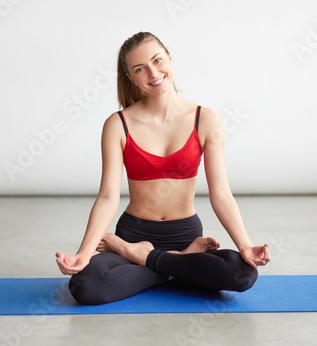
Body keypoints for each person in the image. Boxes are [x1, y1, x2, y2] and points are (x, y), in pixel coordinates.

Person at [56, 31, 270, 305]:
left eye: (157, 61)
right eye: (140, 69)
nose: (153, 73)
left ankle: (144, 258)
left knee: (242, 273)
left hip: (184, 234)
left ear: (170, 58)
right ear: (131, 77)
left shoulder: (205, 119)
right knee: (85, 286)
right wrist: (84, 254)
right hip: (134, 233)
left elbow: (221, 194)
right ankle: (175, 266)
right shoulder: (117, 124)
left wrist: (245, 246)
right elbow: (108, 197)